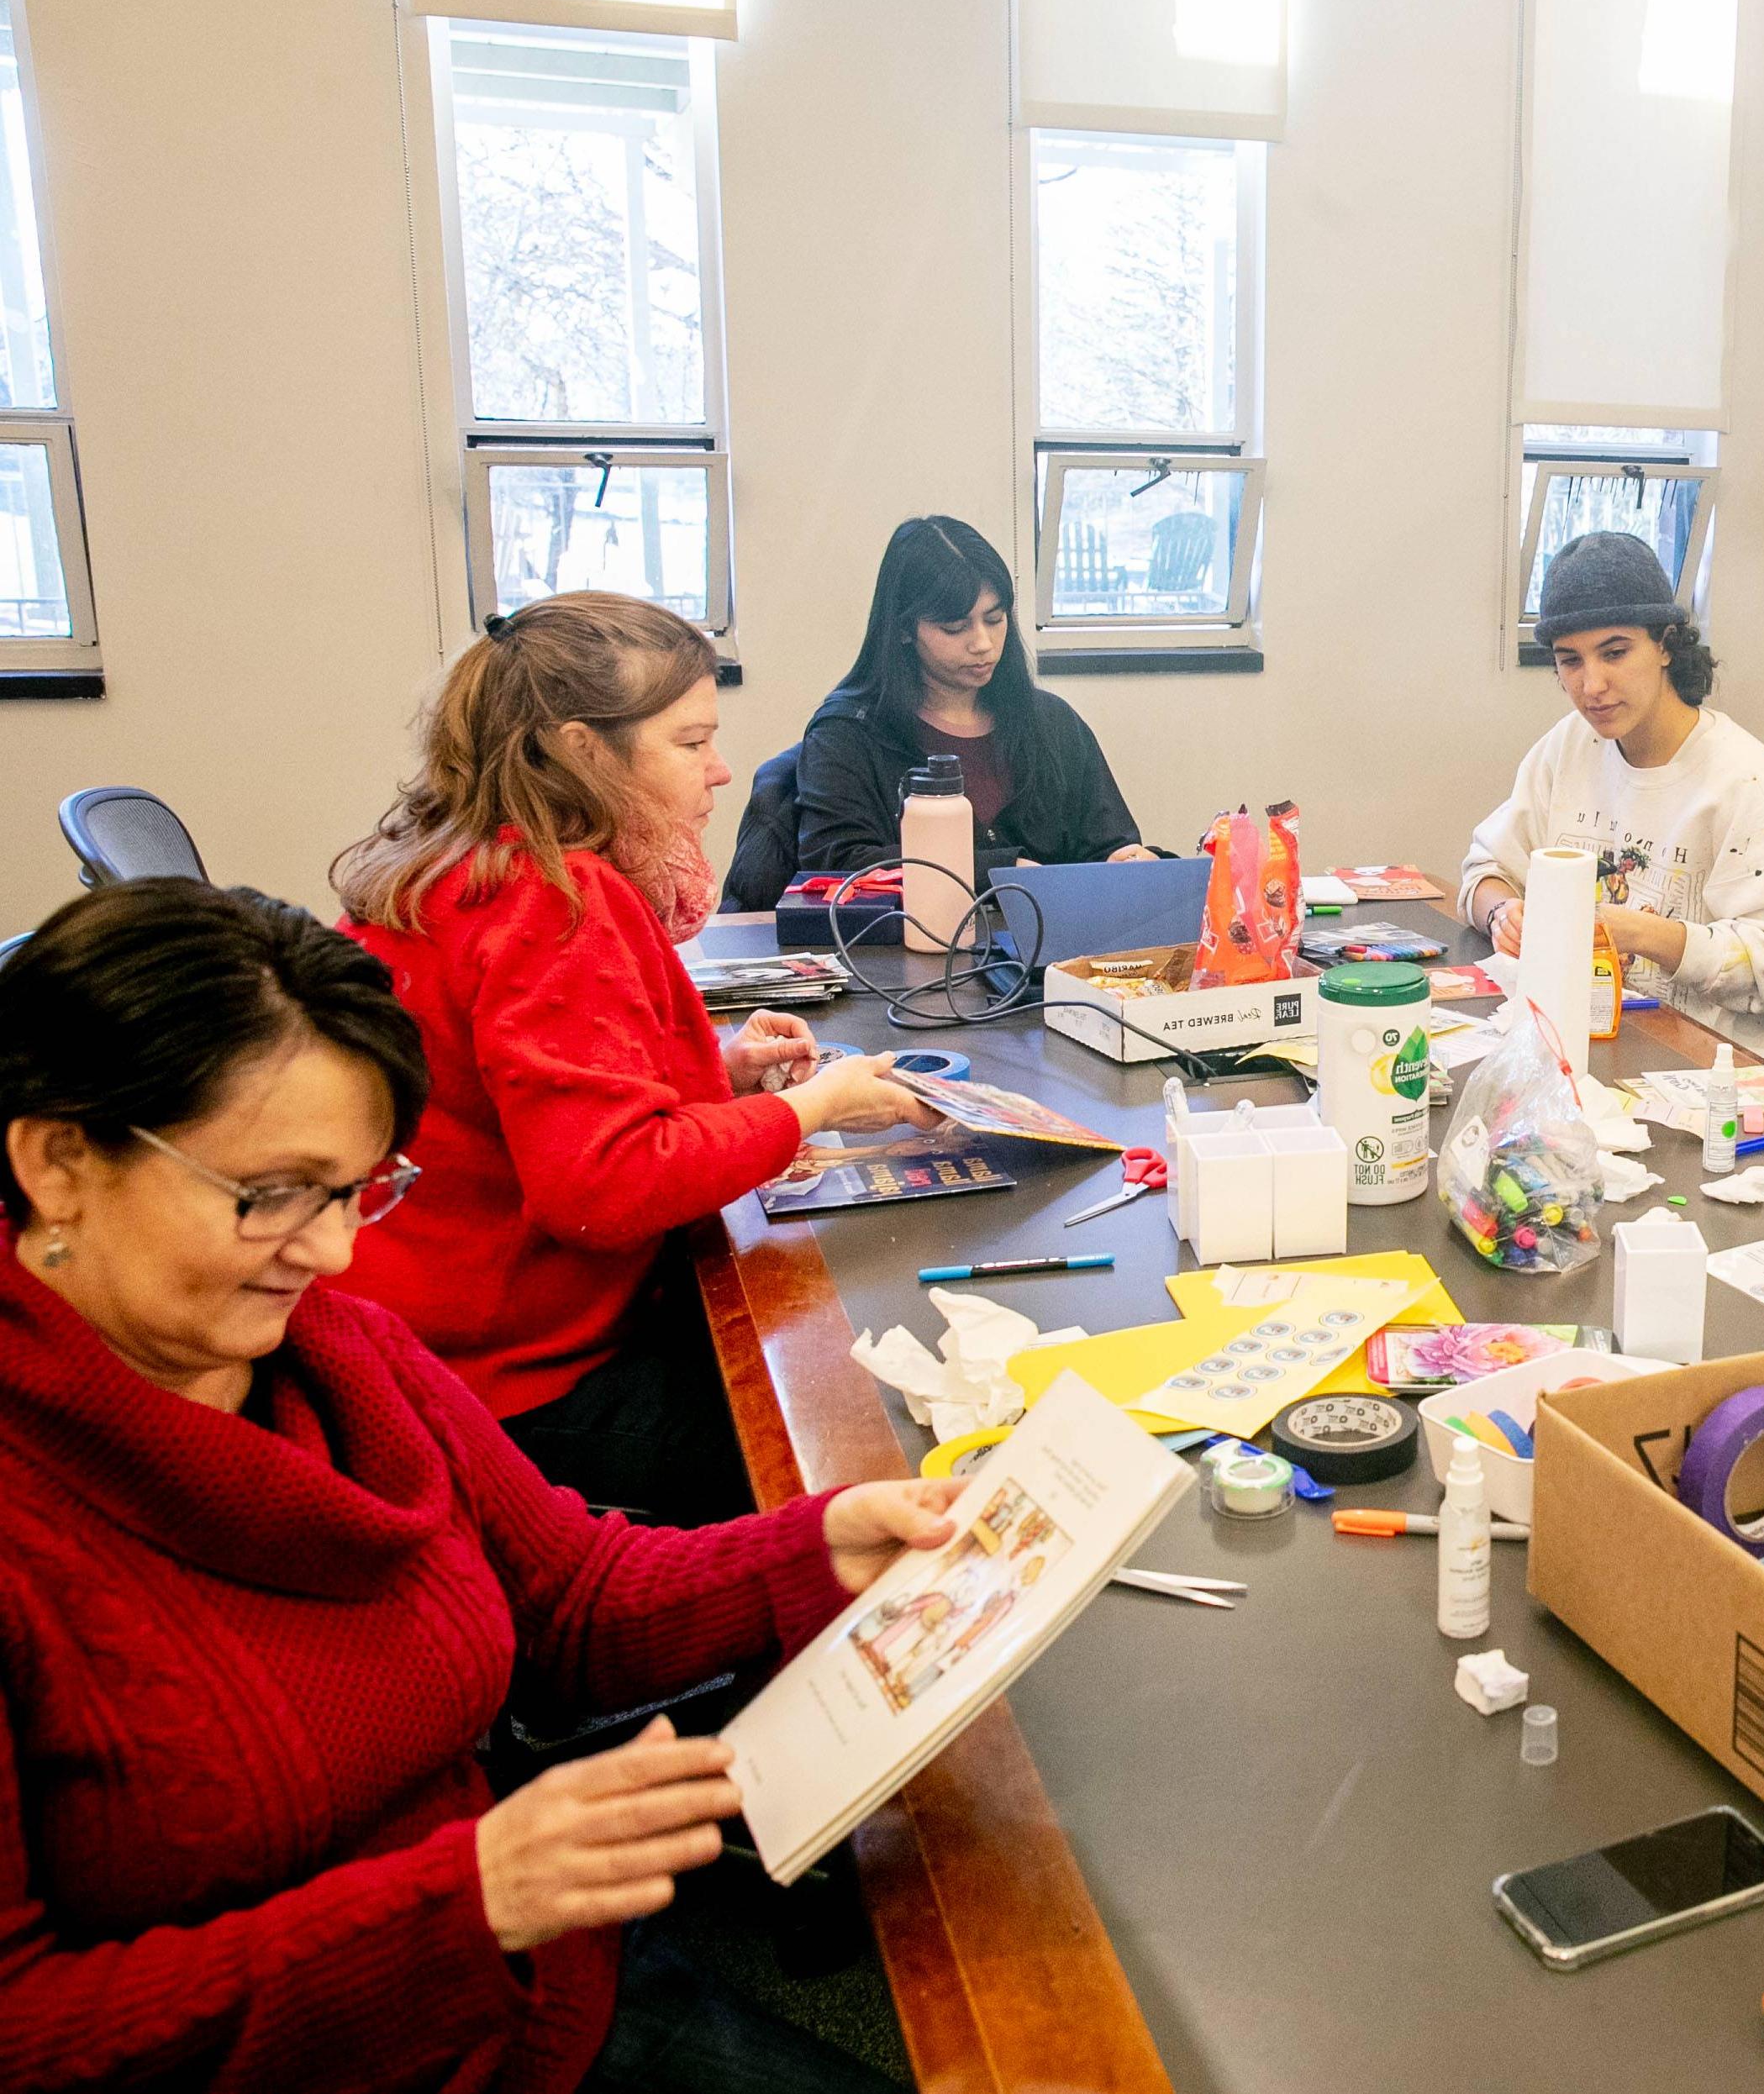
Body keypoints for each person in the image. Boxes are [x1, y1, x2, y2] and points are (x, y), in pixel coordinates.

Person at [0, 877, 952, 2094]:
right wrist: (467, 1900)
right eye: (271, 1195)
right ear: (57, 1159)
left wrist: (824, 1545)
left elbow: (572, 1596)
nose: (335, 1250)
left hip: (523, 1995)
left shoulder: (342, 1352)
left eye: (357, 1191)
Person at [334, 592, 932, 1523]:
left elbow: (518, 1095)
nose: (722, 770)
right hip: (511, 1402)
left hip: (409, 1363)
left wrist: (715, 1075)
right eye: (691, 744)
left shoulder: (466, 864)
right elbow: (603, 1187)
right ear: (582, 751)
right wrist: (810, 1110)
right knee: (877, 1436)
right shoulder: (552, 899)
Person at [1461, 530, 1764, 1065]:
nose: (1592, 685)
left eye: (1615, 652)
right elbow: (1486, 868)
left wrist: (1644, 934)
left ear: (1666, 645)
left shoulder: (1744, 778)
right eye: (1569, 661)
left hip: (1733, 1070)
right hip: (1613, 1047)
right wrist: (1503, 913)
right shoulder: (1569, 747)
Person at [790, 514, 1156, 881]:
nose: (982, 644)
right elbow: (837, 863)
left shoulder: (1053, 723)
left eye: (995, 620)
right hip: (907, 937)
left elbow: (1108, 846)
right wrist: (997, 871)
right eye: (955, 628)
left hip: (1053, 936)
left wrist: (1130, 864)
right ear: (903, 629)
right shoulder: (847, 735)